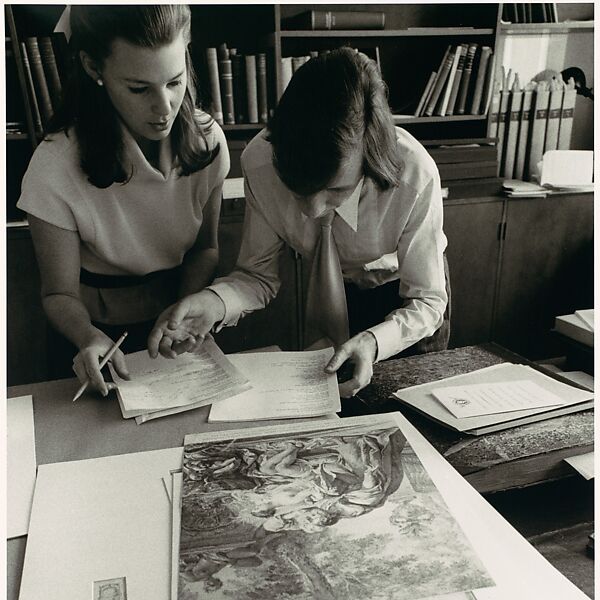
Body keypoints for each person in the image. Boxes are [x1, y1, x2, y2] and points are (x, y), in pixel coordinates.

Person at [149, 47, 448, 398]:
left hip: (402, 302)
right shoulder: (261, 161)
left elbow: (427, 300)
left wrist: (374, 340)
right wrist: (212, 304)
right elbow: (257, 276)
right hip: (330, 292)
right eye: (298, 189)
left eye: (334, 190)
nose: (312, 210)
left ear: (371, 156)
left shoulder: (414, 175)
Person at [17, 5, 229, 395]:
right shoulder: (54, 164)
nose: (165, 107)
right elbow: (59, 293)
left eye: (175, 80)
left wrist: (183, 311)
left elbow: (206, 249)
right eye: (139, 88)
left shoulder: (208, 141)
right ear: (94, 69)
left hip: (178, 326)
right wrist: (87, 337)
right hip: (92, 339)